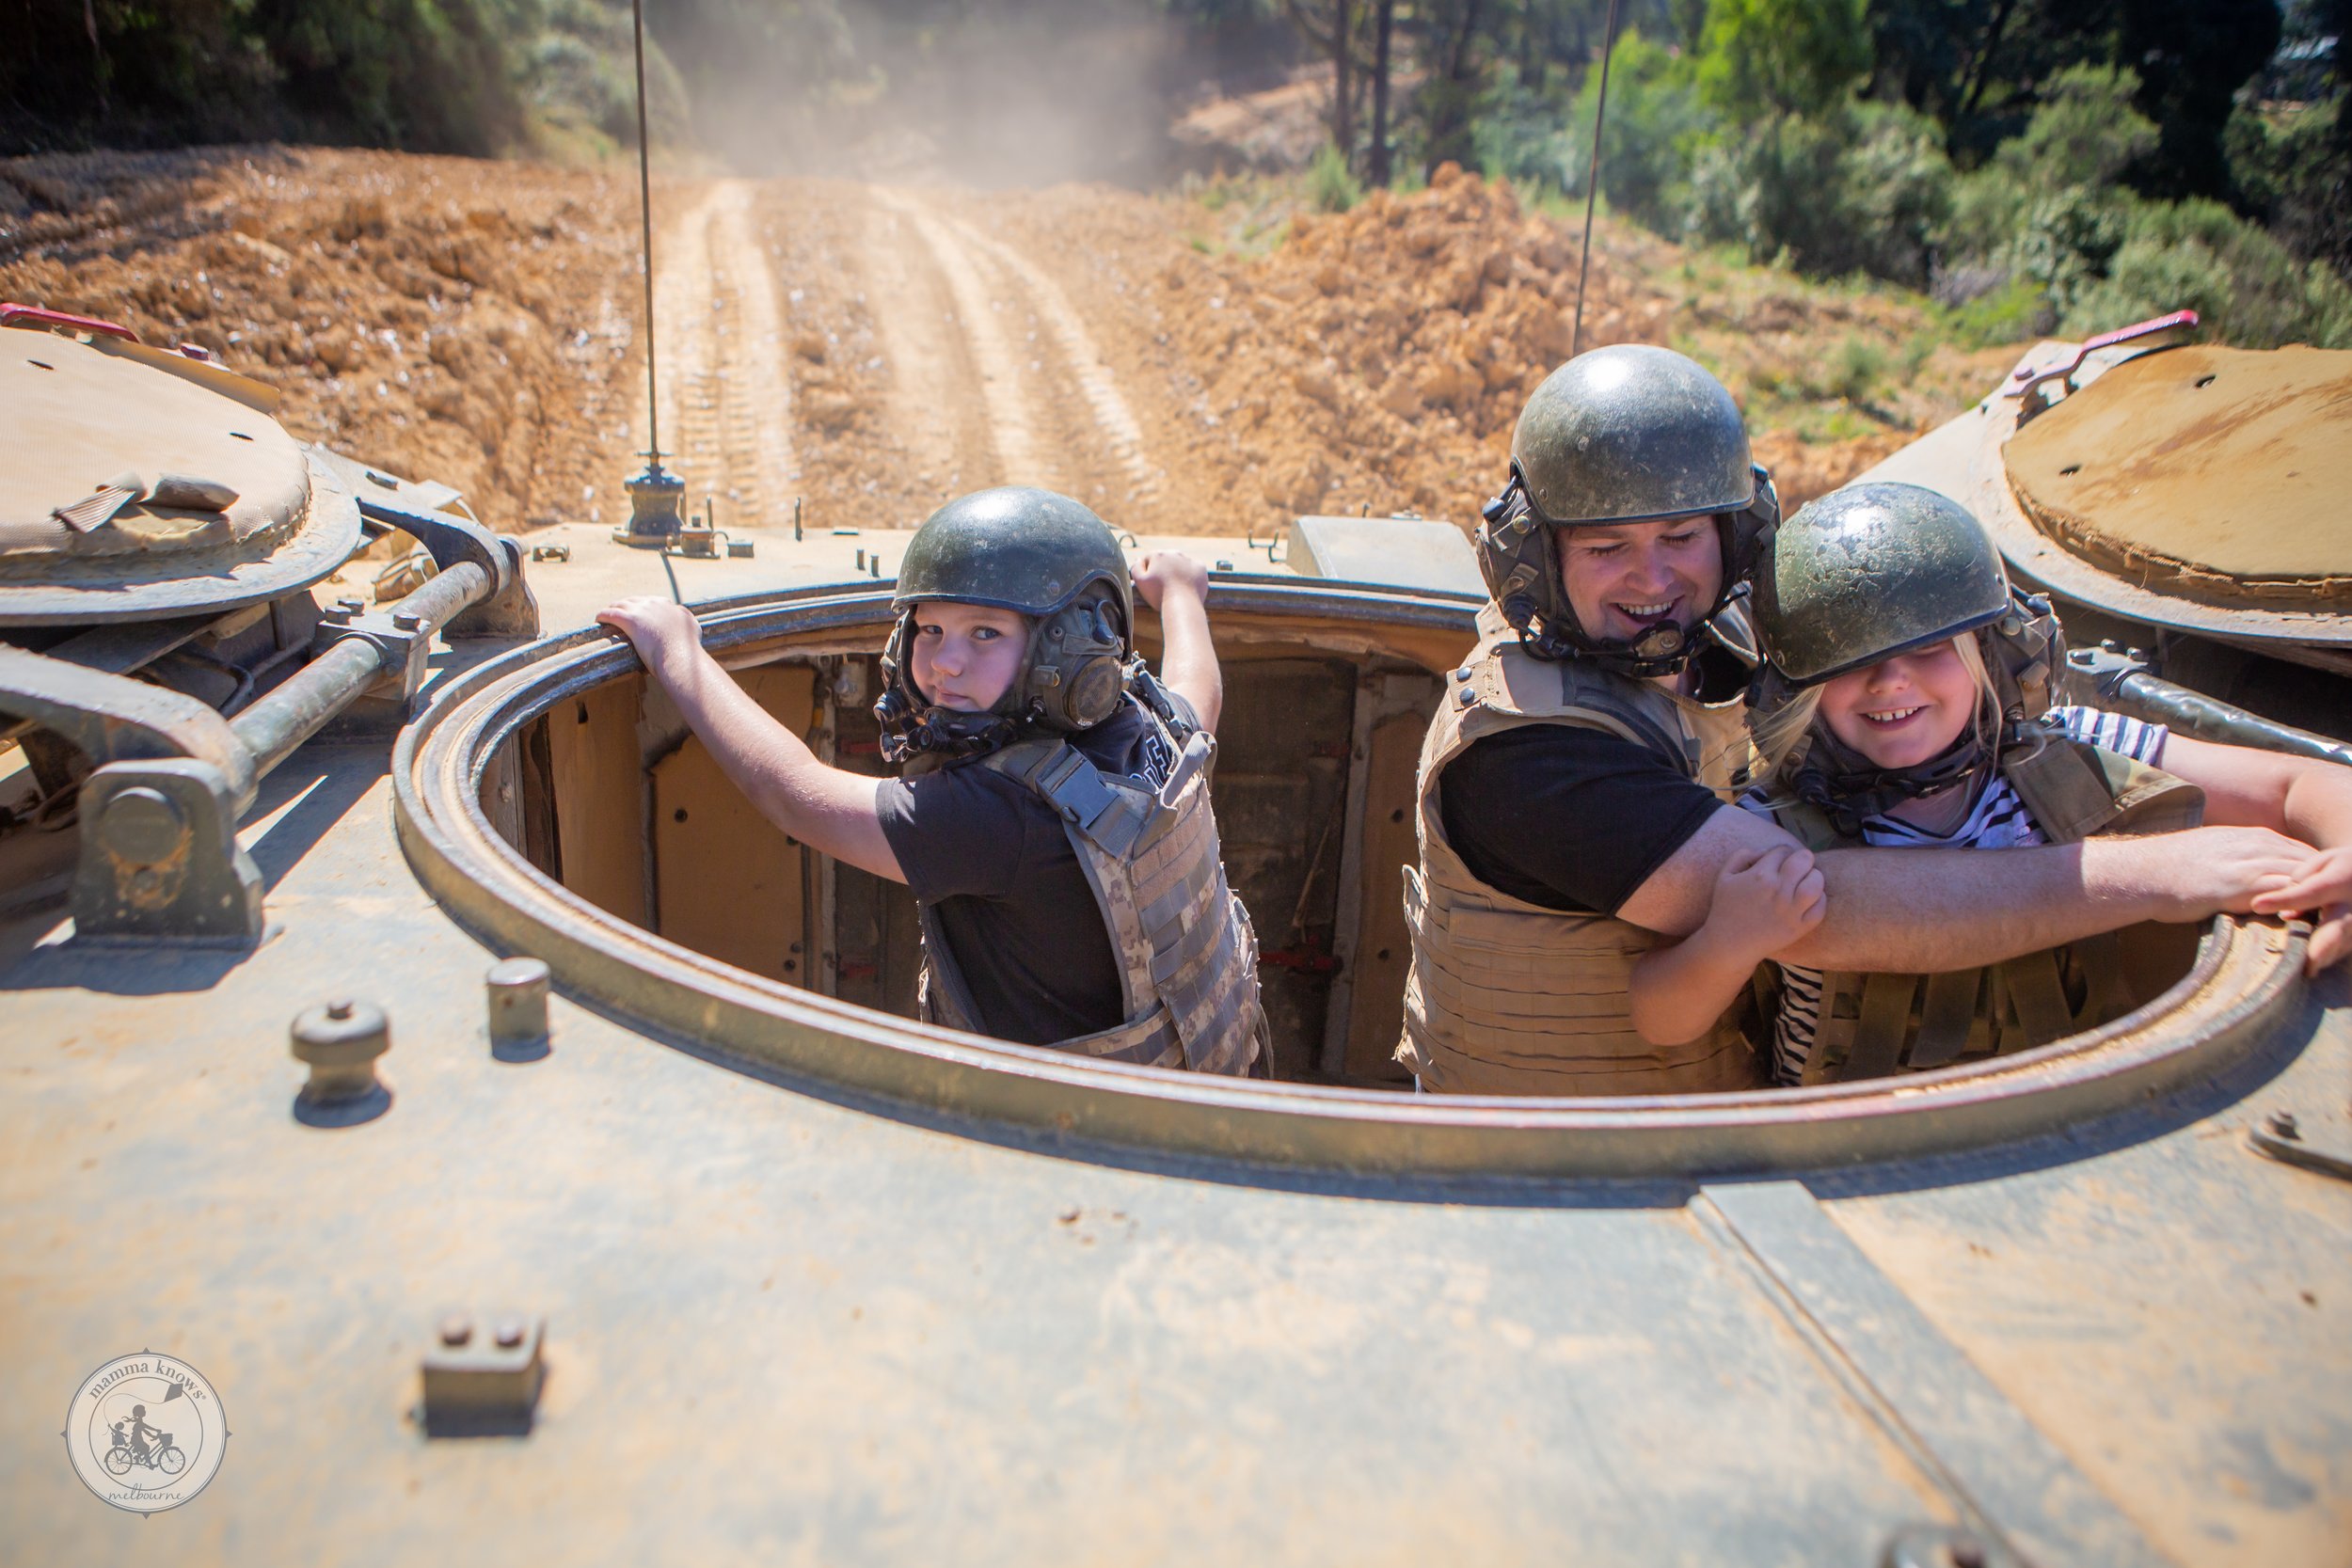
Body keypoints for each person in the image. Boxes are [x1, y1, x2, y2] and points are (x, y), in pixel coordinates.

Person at [1401, 345, 2328, 1097]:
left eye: (1681, 536)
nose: (1652, 579)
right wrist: (2159, 871)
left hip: (1727, 1136)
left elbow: (2287, 784)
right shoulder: (1524, 751)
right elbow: (1816, 909)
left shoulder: (1719, 639)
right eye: (1607, 547)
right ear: (1536, 553)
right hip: (1547, 1169)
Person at [1628, 482, 2352, 1083]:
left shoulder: (2071, 750)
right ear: (1800, 690)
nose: (1891, 682)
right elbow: (1662, 1016)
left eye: (1931, 647)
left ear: (1990, 654)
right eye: (1851, 662)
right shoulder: (1767, 819)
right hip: (1847, 1148)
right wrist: (1727, 938)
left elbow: (2296, 786)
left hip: (2078, 1116)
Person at [600, 485, 1266, 1075]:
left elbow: (794, 795)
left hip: (1067, 1148)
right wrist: (1182, 596)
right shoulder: (1150, 724)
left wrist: (677, 651)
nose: (945, 662)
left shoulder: (998, 816)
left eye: (984, 633)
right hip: (1207, 1085)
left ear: (1069, 645)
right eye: (928, 628)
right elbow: (1196, 690)